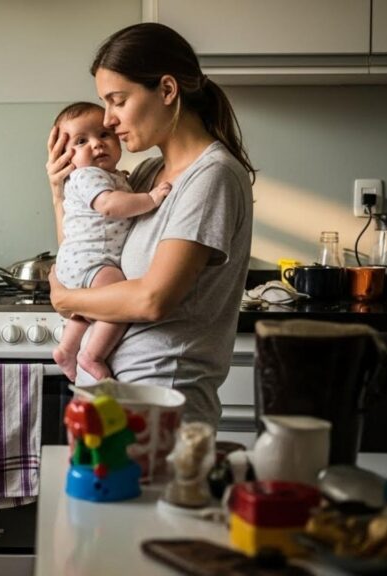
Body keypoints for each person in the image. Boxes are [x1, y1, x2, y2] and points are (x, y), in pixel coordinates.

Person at [46, 23, 256, 426]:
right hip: (113, 397)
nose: (108, 120)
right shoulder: (145, 175)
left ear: (166, 90)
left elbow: (152, 300)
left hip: (162, 403)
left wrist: (65, 301)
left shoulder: (211, 176)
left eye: (118, 101)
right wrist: (60, 192)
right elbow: (85, 249)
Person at [50, 101, 172, 381]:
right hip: (92, 259)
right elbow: (108, 205)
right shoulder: (87, 176)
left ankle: (67, 349)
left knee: (90, 308)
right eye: (81, 141)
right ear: (66, 157)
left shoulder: (109, 176)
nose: (97, 144)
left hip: (79, 261)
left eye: (104, 135)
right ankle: (91, 355)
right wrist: (150, 199)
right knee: (119, 297)